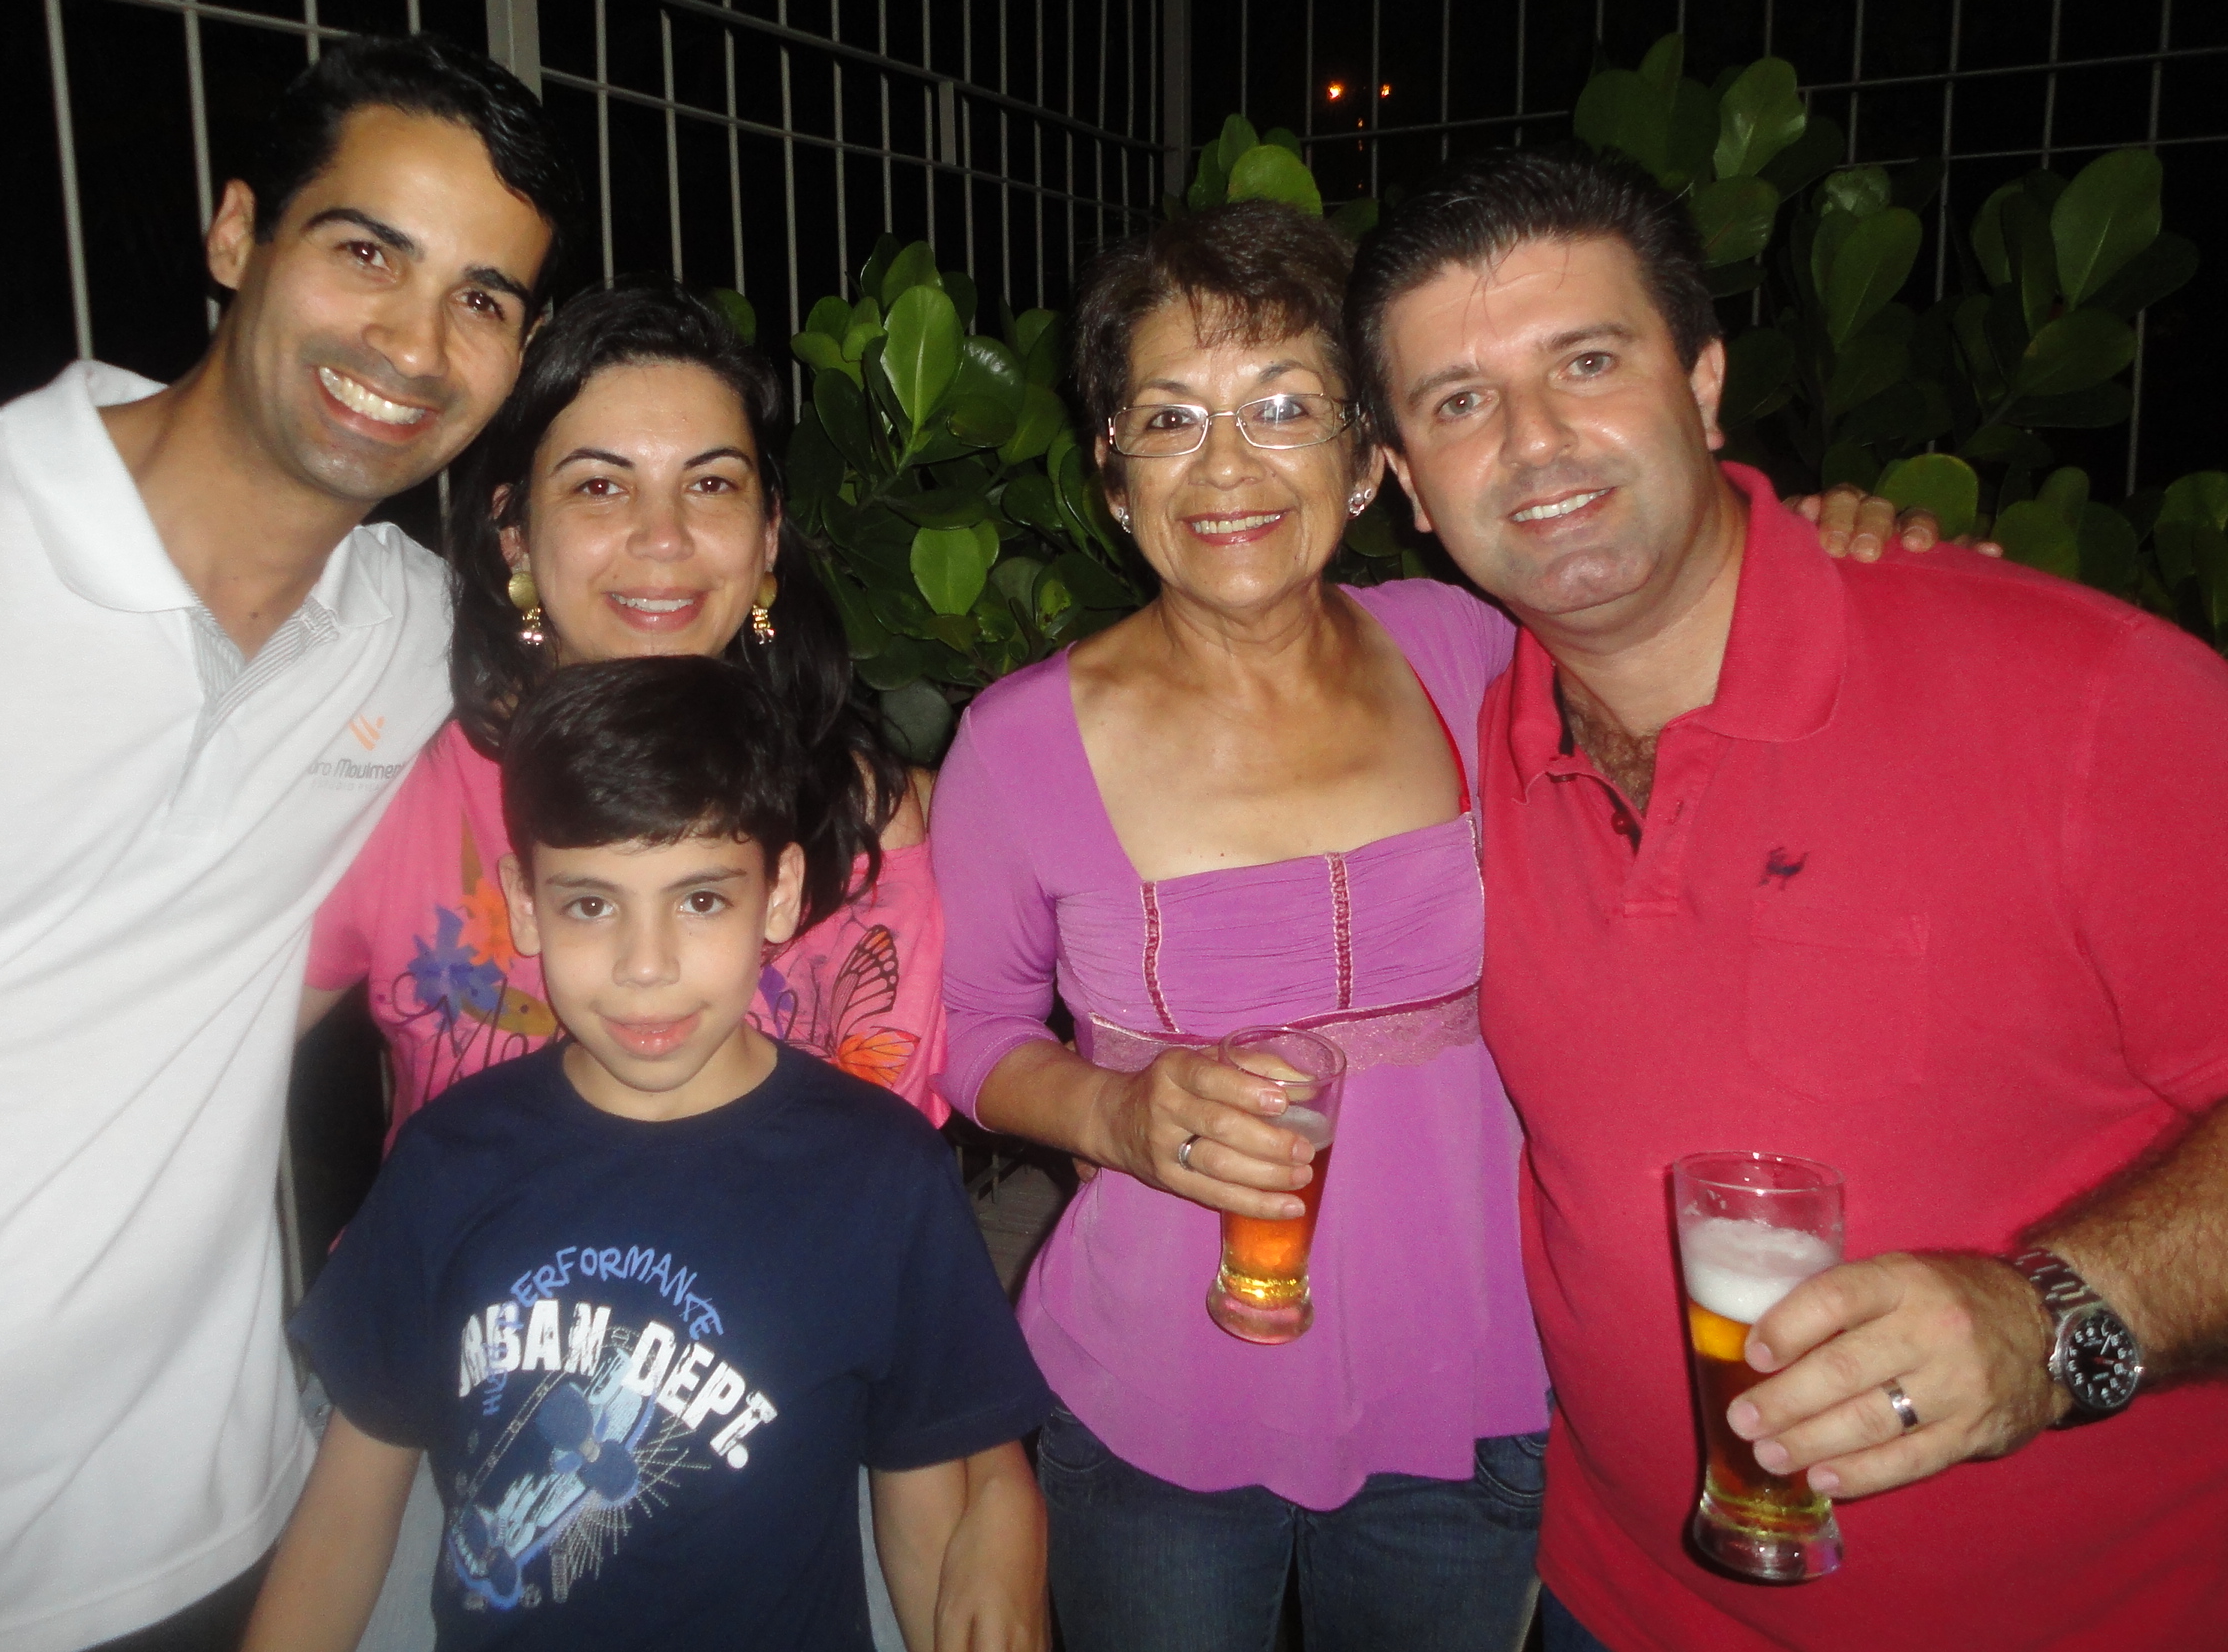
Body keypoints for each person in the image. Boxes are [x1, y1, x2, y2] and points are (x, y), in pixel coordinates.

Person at [0, 33, 577, 1652]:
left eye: (481, 298)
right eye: (366, 252)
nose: (415, 343)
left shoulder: (415, 641)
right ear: (236, 232)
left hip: (209, 1537)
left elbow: (652, 723)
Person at [1347, 146, 2228, 1651]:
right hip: (1612, 1602)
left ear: (1703, 384)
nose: (1536, 442)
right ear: (1413, 487)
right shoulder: (1455, 746)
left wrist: (2059, 1317)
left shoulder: (2088, 699)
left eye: (1587, 362)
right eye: (1460, 402)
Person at [929, 198, 1552, 1652]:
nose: (1226, 466)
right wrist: (1116, 1113)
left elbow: (1685, 674)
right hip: (1156, 1398)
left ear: (1366, 452)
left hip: (1464, 1374)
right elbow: (968, 1033)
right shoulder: (1018, 745)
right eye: (1169, 418)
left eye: (1282, 406)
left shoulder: (1472, 652)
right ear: (1111, 473)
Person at [246, 656, 1049, 1652]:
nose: (646, 965)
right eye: (591, 904)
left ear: (781, 892)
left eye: (701, 900)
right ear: (526, 902)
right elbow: (342, 1519)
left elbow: (924, 1518)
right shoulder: (448, 1158)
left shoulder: (881, 1174)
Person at [301, 276, 942, 1133]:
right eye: (599, 487)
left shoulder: (864, 824)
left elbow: (883, 1167)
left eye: (711, 485)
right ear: (515, 534)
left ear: (767, 535)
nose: (663, 537)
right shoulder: (402, 795)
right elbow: (192, 1047)